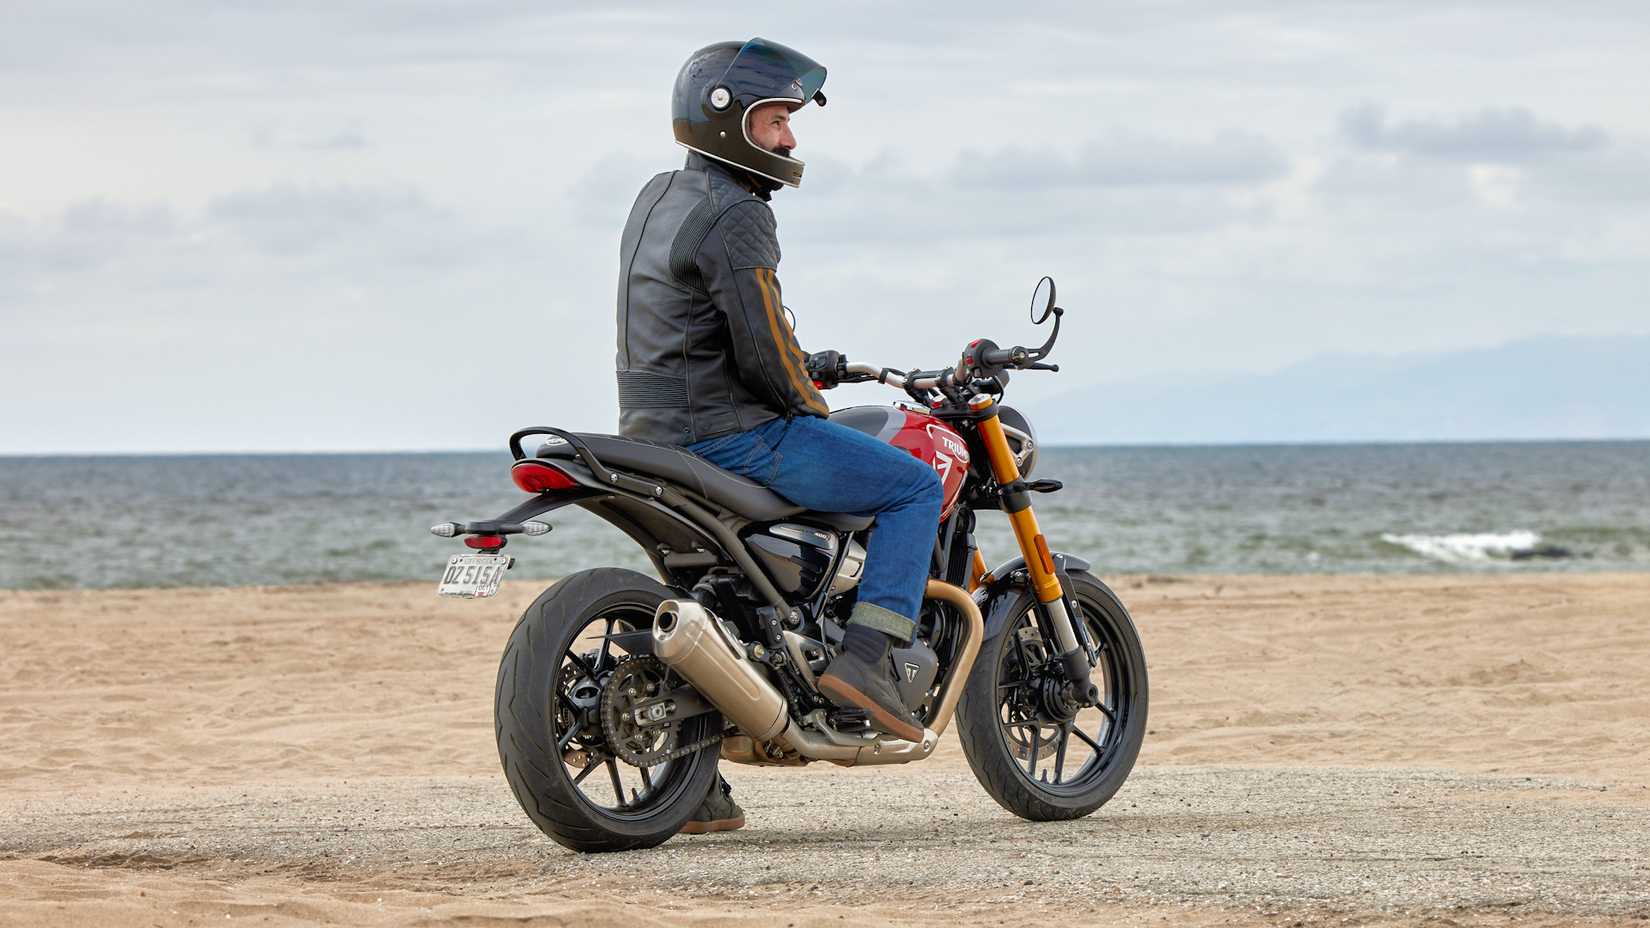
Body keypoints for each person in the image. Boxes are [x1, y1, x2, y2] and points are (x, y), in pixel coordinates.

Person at [613, 38, 944, 834]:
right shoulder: (738, 213)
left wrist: (809, 361)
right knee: (911, 484)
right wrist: (811, 405)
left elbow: (706, 329)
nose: (790, 141)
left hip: (652, 429)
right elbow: (763, 357)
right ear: (725, 121)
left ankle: (690, 782)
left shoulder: (658, 197)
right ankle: (871, 661)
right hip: (731, 435)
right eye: (775, 123)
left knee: (710, 588)